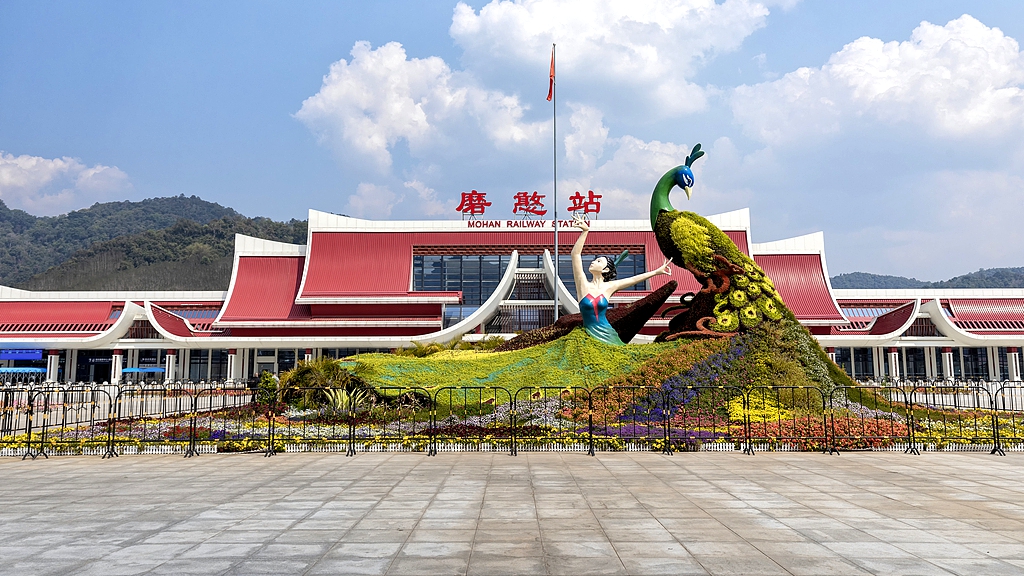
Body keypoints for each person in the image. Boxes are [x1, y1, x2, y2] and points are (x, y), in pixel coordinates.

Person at [570, 214, 673, 345]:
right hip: (588, 335)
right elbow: (575, 255)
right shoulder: (583, 284)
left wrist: (656, 272)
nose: (593, 262)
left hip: (608, 334)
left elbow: (634, 279)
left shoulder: (610, 287)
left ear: (605, 270)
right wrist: (585, 232)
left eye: (598, 261)